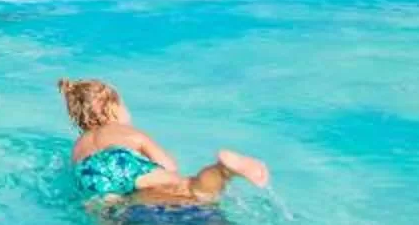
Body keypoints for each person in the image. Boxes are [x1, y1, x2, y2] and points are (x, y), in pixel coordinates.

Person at [60, 77, 269, 216]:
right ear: (114, 108)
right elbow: (167, 165)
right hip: (122, 160)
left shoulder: (80, 145)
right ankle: (224, 170)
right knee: (193, 188)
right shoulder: (127, 132)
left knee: (111, 217)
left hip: (89, 171)